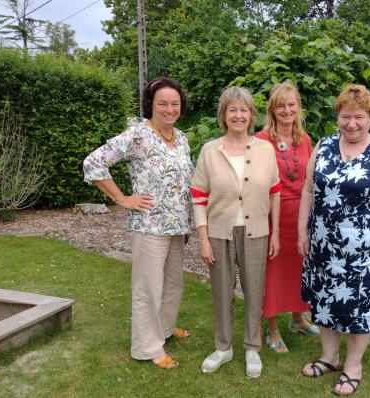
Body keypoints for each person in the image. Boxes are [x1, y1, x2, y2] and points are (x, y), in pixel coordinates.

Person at [297, 84, 370, 396]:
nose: (352, 124)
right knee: (327, 300)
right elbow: (308, 189)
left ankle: (353, 366)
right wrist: (303, 230)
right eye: (346, 117)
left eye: (359, 117)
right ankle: (329, 358)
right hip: (324, 244)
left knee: (360, 305)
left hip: (366, 251)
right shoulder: (324, 145)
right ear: (338, 117)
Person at [83, 77, 194, 369]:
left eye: (175, 104)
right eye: (163, 104)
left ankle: (166, 330)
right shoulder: (137, 135)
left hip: (176, 226)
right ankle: (149, 348)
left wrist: (187, 222)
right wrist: (122, 198)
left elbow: (183, 183)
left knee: (173, 284)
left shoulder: (181, 138)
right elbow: (93, 163)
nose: (170, 109)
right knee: (148, 288)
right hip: (149, 226)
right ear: (151, 105)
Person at [191, 86, 281, 378]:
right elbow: (199, 197)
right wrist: (203, 239)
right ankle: (224, 347)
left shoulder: (265, 149)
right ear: (224, 115)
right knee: (221, 292)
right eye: (233, 110)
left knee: (255, 291)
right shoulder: (209, 150)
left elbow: (275, 192)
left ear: (252, 115)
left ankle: (252, 348)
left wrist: (275, 231)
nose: (238, 115)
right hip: (219, 232)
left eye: (244, 110)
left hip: (256, 231)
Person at [256, 82, 318, 354]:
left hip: (301, 214)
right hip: (274, 214)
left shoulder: (304, 139)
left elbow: (309, 178)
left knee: (299, 269)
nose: (287, 110)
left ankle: (297, 318)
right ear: (272, 109)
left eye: (291, 104)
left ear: (298, 107)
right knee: (274, 271)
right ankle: (271, 328)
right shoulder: (261, 140)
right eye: (281, 105)